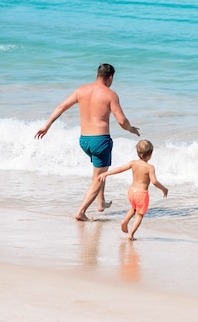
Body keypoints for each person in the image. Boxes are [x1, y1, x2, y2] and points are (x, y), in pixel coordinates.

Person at [35, 63, 140, 221]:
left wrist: (47, 126)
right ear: (110, 78)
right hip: (100, 141)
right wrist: (130, 128)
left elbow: (62, 106)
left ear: (98, 75)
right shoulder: (110, 94)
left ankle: (101, 202)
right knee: (99, 177)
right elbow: (121, 120)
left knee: (99, 172)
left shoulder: (81, 90)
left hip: (84, 141)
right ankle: (81, 212)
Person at [98, 140, 168, 240]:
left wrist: (106, 173)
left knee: (134, 208)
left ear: (138, 152)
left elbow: (120, 169)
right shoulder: (150, 167)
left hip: (131, 192)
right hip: (142, 194)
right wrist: (164, 189)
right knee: (139, 215)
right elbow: (154, 182)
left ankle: (125, 221)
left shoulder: (133, 163)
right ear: (150, 154)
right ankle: (131, 234)